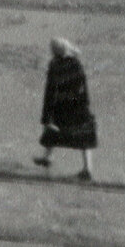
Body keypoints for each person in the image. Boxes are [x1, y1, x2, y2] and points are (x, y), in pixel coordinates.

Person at [34, 38, 97, 181]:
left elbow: (50, 90)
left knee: (52, 130)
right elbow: (83, 86)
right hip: (78, 106)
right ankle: (87, 168)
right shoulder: (76, 63)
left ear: (55, 50)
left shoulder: (54, 65)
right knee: (84, 138)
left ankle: (47, 157)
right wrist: (85, 103)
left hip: (61, 106)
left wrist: (46, 115)